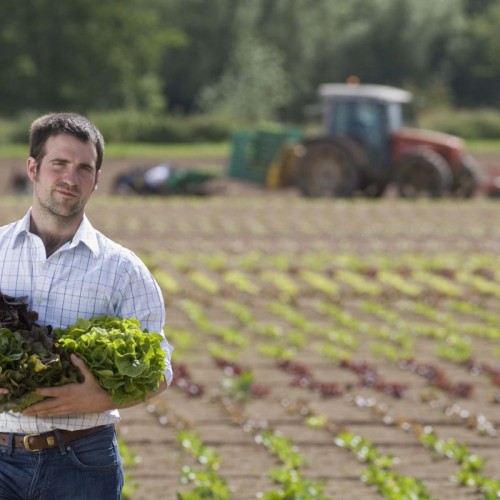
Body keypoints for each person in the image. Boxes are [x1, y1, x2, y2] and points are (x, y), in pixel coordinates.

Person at [0, 112, 173, 499]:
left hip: (82, 460)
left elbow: (160, 368)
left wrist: (99, 397)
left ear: (96, 179)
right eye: (59, 164)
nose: (70, 178)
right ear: (33, 168)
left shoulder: (122, 269)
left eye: (84, 168)